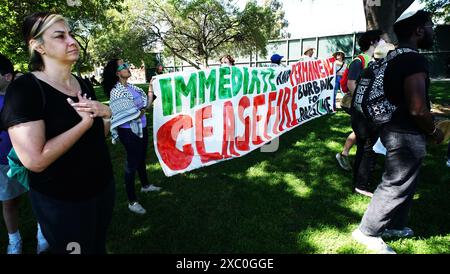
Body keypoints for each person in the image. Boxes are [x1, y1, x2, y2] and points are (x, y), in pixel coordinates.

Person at [0, 12, 115, 254]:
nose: (72, 41)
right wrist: (83, 124)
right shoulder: (24, 90)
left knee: (97, 247)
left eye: (71, 34)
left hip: (102, 188)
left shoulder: (81, 84)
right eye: (60, 36)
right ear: (38, 45)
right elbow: (35, 160)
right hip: (63, 201)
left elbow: (97, 136)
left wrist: (106, 114)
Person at [352, 10, 444, 254]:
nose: (433, 30)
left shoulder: (393, 57)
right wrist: (434, 131)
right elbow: (416, 109)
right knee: (396, 182)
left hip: (392, 127)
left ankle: (394, 225)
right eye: (430, 25)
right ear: (418, 30)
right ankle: (367, 232)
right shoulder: (413, 60)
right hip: (405, 131)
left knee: (406, 181)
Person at [0, 53, 49, 254]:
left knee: (39, 198)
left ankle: (42, 234)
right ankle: (14, 240)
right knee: (9, 201)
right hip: (3, 161)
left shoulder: (23, 97)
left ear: (7, 76)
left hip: (31, 158)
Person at [103, 58, 161, 215]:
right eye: (124, 66)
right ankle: (132, 201)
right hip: (128, 131)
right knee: (132, 163)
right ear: (117, 72)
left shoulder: (132, 87)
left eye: (127, 64)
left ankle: (145, 185)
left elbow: (146, 105)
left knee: (141, 157)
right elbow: (133, 113)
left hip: (141, 127)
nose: (128, 67)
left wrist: (151, 86)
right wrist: (141, 110)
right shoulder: (116, 91)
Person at [335, 30, 384, 192]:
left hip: (367, 110)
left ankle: (359, 178)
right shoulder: (359, 61)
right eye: (381, 40)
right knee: (365, 144)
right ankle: (360, 180)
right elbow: (351, 84)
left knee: (364, 143)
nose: (383, 42)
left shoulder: (374, 60)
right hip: (362, 111)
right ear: (372, 42)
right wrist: (365, 104)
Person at [349, 42, 395, 200]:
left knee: (362, 148)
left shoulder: (368, 69)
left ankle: (356, 180)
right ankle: (361, 185)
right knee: (370, 151)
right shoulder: (387, 70)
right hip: (372, 118)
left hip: (358, 115)